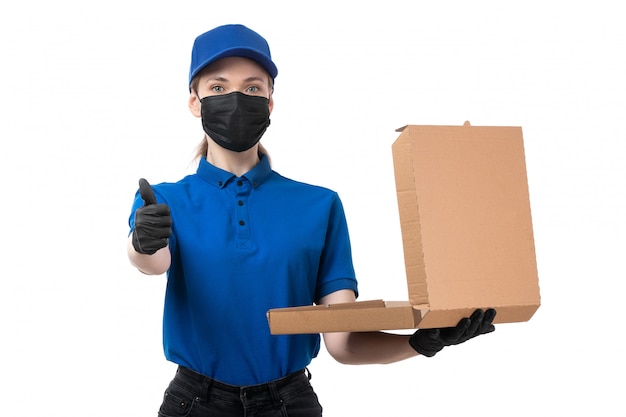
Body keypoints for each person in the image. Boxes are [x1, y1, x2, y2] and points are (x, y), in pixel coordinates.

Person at [127, 24, 496, 417]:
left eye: (253, 88)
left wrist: (418, 343)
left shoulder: (319, 206)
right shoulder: (163, 201)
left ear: (269, 103)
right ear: (195, 103)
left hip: (288, 404)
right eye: (218, 87)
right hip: (195, 403)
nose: (236, 98)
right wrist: (143, 242)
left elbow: (344, 343)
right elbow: (152, 263)